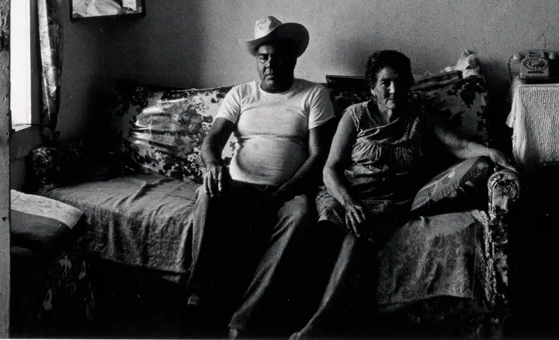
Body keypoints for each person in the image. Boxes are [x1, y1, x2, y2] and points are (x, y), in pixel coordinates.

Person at [290, 50, 515, 336]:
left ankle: (318, 326)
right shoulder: (355, 115)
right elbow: (330, 169)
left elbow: (458, 146)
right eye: (385, 83)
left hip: (393, 201)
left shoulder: (418, 115)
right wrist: (348, 203)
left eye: (399, 81)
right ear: (372, 87)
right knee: (351, 234)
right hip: (350, 195)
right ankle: (318, 324)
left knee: (363, 234)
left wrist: (492, 152)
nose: (393, 89)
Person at [185, 17, 336, 339]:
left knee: (300, 215)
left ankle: (244, 318)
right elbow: (211, 141)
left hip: (288, 191)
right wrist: (212, 166)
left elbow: (318, 156)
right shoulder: (241, 94)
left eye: (278, 56)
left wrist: (281, 195)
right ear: (257, 60)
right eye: (263, 57)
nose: (270, 64)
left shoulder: (313, 95)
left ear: (293, 58)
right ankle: (199, 293)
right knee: (205, 193)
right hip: (238, 186)